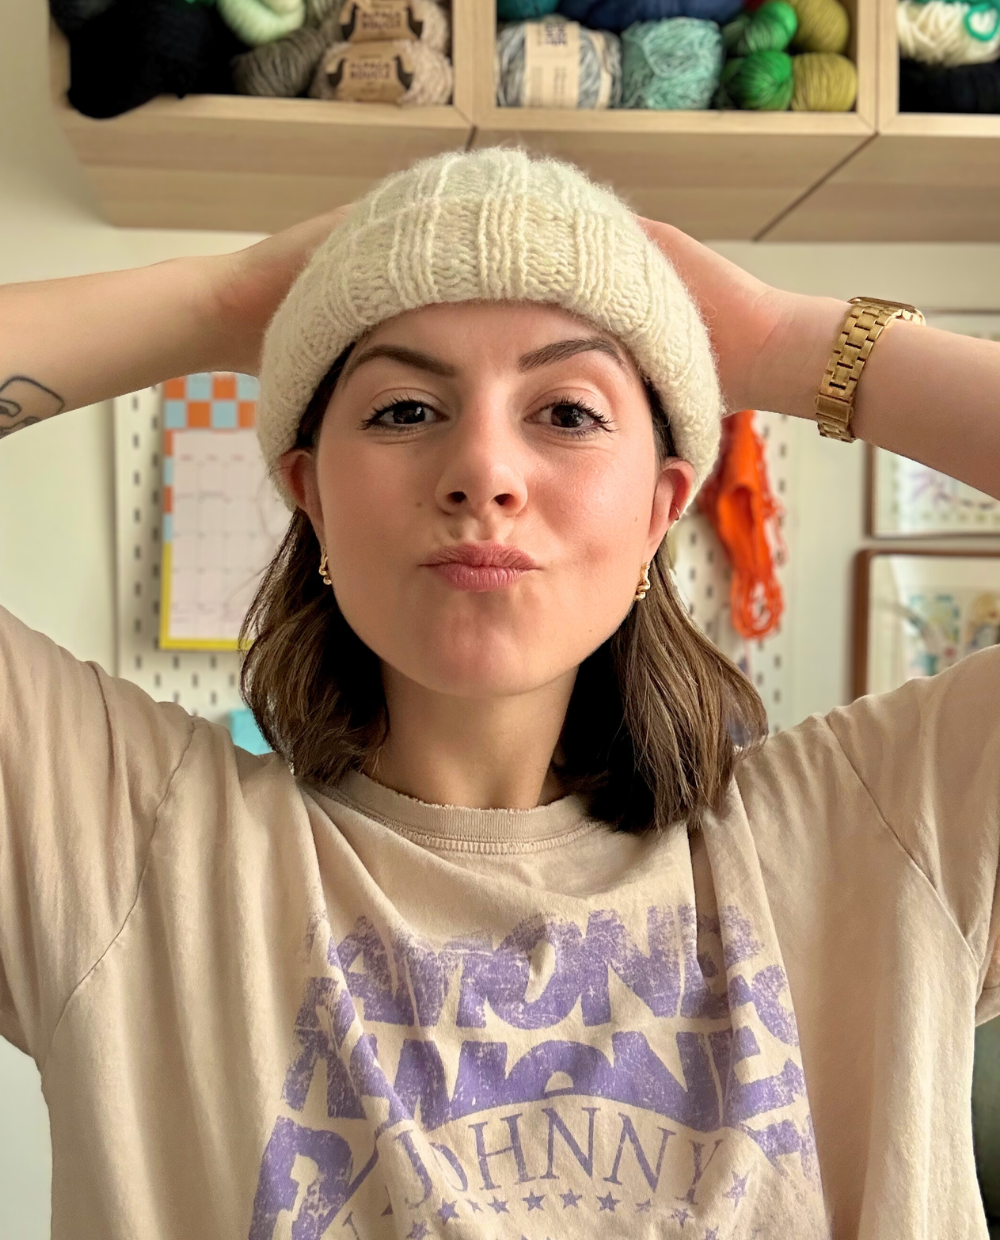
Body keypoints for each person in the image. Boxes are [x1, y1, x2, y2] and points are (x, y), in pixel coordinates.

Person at [0, 146, 998, 1240]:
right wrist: (221, 302)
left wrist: (778, 347)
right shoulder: (114, 843)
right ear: (309, 494)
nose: (483, 469)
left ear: (664, 506)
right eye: (401, 409)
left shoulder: (890, 834)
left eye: (566, 412)